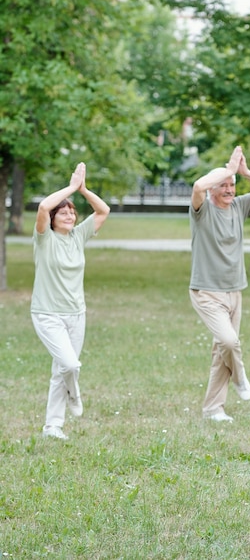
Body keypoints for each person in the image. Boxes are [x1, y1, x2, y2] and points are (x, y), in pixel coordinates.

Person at [189, 146, 250, 422]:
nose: (229, 189)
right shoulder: (201, 210)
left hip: (235, 290)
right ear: (214, 188)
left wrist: (244, 171)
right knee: (229, 341)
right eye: (223, 185)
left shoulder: (239, 206)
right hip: (206, 291)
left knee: (222, 350)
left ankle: (214, 409)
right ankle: (240, 378)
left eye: (231, 185)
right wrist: (226, 170)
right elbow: (198, 186)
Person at [31, 162, 110, 440]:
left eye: (71, 212)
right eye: (62, 212)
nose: (68, 215)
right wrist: (70, 188)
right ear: (52, 219)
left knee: (60, 370)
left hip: (77, 314)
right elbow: (42, 207)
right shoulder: (44, 239)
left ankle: (53, 426)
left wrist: (84, 190)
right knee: (70, 365)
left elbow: (103, 211)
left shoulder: (78, 236)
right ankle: (75, 396)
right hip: (47, 313)